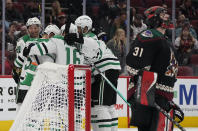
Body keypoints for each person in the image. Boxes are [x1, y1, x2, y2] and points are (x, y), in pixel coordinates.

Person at [126, 6, 184, 131]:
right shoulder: (150, 35)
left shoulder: (165, 40)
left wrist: (168, 101)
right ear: (155, 19)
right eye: (163, 15)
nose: (168, 17)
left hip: (161, 98)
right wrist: (148, 92)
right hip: (149, 98)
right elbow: (133, 66)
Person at [75, 15, 121, 131]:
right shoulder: (90, 38)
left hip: (104, 69)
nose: (77, 30)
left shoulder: (88, 38)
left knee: (99, 106)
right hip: (111, 68)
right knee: (109, 106)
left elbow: (90, 53)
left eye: (79, 28)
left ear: (86, 28)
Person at [12, 17, 55, 111]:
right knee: (21, 103)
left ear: (40, 28)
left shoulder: (45, 41)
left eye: (36, 27)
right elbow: (20, 60)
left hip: (39, 76)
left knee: (36, 104)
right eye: (31, 28)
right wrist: (16, 72)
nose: (34, 30)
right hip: (26, 74)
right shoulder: (22, 41)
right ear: (27, 29)